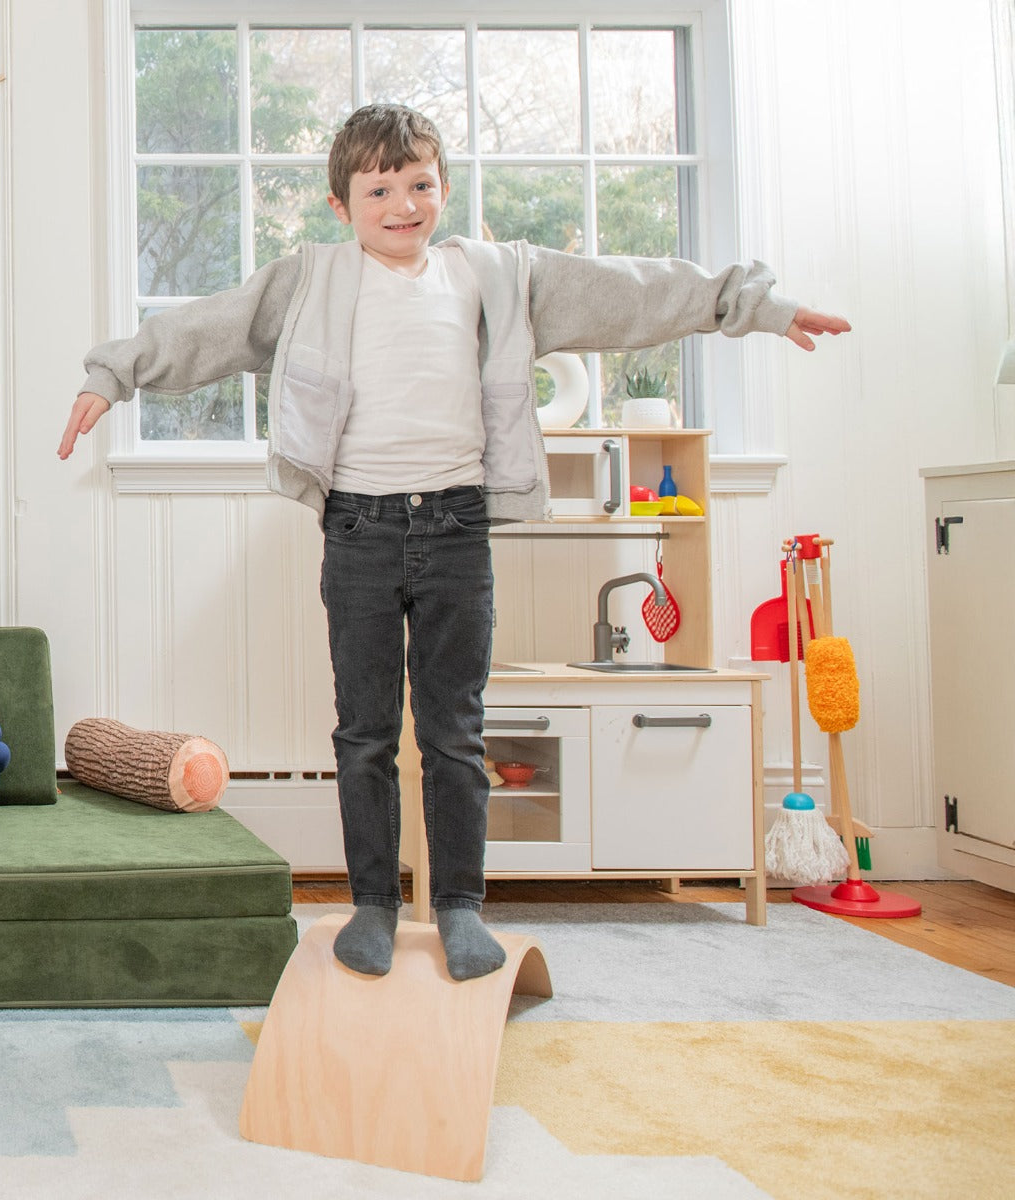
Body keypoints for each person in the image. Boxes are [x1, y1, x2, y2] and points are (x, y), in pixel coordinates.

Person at [60, 103, 850, 981]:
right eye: (380, 189)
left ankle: (462, 907)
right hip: (358, 529)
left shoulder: (493, 275)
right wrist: (113, 374)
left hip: (457, 529)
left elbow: (629, 290)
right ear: (340, 204)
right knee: (362, 731)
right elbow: (208, 326)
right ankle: (371, 905)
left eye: (421, 185)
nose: (404, 204)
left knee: (455, 731)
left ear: (444, 187)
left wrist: (754, 306)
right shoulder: (311, 281)